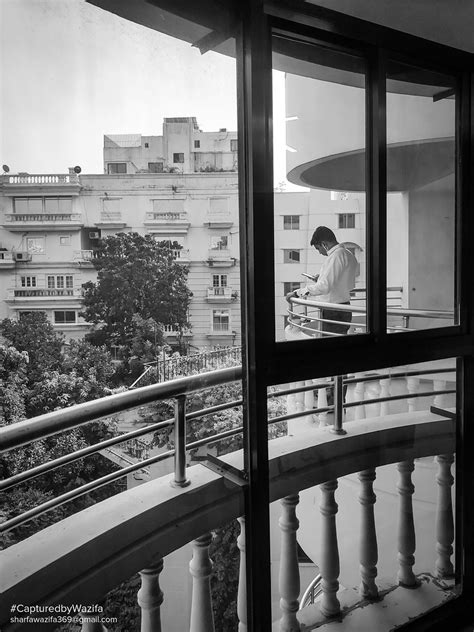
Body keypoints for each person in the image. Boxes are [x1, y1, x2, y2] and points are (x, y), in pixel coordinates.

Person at [286, 225, 358, 337]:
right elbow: (348, 281)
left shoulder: (335, 256)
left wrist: (297, 293)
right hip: (344, 308)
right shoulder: (348, 254)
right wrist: (322, 277)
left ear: (324, 244)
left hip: (333, 310)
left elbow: (324, 287)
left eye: (318, 248)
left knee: (329, 347)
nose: (319, 252)